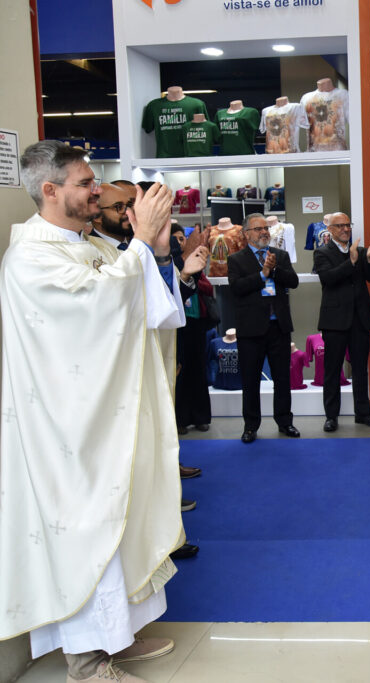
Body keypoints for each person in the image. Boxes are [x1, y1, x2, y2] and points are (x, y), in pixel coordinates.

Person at [0, 140, 185, 683]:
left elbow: (148, 308)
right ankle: (85, 660)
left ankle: (117, 635)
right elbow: (97, 309)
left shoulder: (90, 245)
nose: (97, 190)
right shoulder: (31, 256)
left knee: (119, 518)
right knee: (86, 527)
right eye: (85, 183)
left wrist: (155, 249)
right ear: (50, 190)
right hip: (68, 431)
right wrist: (141, 248)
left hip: (106, 419)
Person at [227, 212, 301, 443]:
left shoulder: (280, 255)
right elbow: (237, 288)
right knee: (250, 380)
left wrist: (274, 270)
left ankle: (285, 422)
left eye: (266, 229)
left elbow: (293, 281)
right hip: (251, 329)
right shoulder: (236, 259)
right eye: (258, 229)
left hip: (278, 326)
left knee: (282, 379)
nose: (264, 232)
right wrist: (263, 274)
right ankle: (251, 426)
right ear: (246, 234)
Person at [312, 212, 370, 430]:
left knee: (361, 368)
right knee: (332, 370)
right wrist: (350, 262)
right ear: (330, 229)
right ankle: (331, 416)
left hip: (360, 319)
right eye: (340, 226)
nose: (345, 229)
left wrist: (369, 257)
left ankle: (363, 412)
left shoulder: (360, 252)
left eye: (347, 225)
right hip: (334, 321)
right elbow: (328, 279)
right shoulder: (322, 253)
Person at [171, 224, 214, 435]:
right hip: (177, 325)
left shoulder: (193, 260)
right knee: (179, 373)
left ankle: (200, 417)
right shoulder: (166, 262)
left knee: (198, 370)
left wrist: (194, 269)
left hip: (196, 321)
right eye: (175, 238)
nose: (179, 242)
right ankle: (180, 419)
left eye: (182, 238)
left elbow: (206, 286)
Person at [91, 182, 134, 248]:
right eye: (118, 207)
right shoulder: (89, 250)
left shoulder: (136, 243)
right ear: (96, 216)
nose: (128, 211)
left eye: (129, 205)